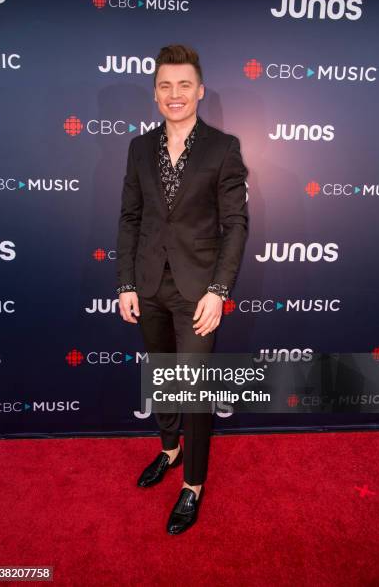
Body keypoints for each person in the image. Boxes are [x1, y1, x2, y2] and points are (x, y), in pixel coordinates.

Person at [116, 44, 249, 534]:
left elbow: (235, 225)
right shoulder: (138, 148)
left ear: (200, 90)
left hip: (198, 290)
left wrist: (219, 290)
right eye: (165, 86)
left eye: (184, 85)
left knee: (192, 388)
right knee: (162, 375)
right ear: (155, 94)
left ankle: (193, 484)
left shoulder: (224, 148)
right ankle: (168, 450)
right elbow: (131, 218)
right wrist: (127, 282)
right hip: (149, 284)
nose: (175, 94)